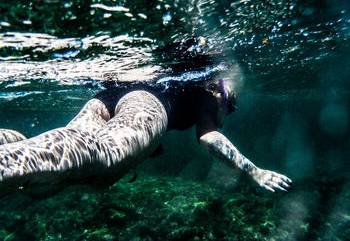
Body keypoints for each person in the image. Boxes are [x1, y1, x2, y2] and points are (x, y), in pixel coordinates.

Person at [0, 65, 291, 198]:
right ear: (225, 95)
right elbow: (209, 137)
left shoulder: (188, 84)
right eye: (232, 106)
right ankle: (7, 162)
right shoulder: (211, 92)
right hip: (146, 102)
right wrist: (254, 171)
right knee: (103, 156)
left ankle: (8, 146)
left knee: (53, 174)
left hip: (108, 97)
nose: (229, 111)